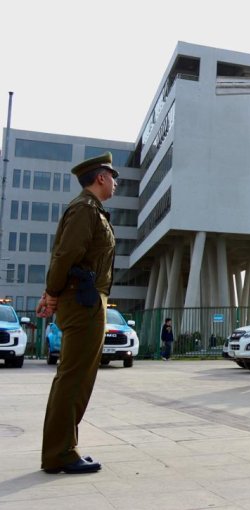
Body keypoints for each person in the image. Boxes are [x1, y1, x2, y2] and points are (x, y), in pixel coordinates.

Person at [37, 152, 118, 474]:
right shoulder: (85, 209)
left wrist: (54, 292)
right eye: (112, 177)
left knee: (76, 379)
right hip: (82, 301)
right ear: (100, 178)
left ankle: (64, 448)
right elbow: (67, 254)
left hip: (84, 299)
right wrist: (52, 293)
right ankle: (59, 453)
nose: (114, 183)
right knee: (74, 379)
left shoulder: (91, 210)